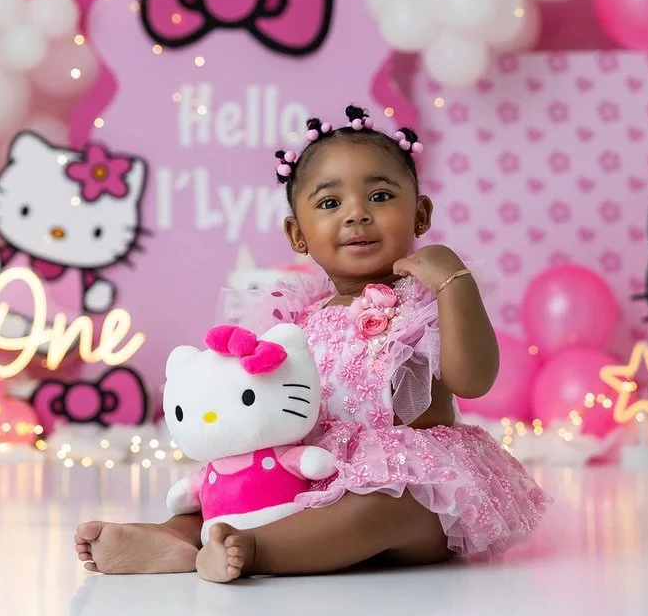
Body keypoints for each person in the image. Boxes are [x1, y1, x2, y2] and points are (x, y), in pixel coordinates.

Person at [74, 105, 549, 581]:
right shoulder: (296, 317)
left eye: (380, 196)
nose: (357, 214)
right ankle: (175, 536)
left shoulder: (427, 298)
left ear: (420, 214)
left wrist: (454, 284)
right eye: (329, 204)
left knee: (379, 508)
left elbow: (473, 380)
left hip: (415, 483)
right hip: (312, 468)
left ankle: (254, 549)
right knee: (245, 487)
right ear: (297, 235)